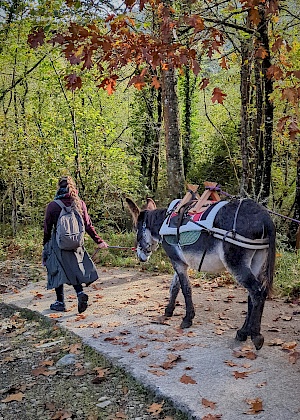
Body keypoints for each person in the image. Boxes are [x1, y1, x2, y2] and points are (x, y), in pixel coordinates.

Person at [42, 176, 108, 313]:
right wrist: (99, 241)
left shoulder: (53, 206)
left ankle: (60, 302)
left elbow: (47, 228)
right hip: (77, 243)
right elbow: (88, 225)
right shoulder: (79, 203)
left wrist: (45, 245)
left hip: (58, 244)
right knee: (74, 269)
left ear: (59, 187)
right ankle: (79, 294)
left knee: (57, 270)